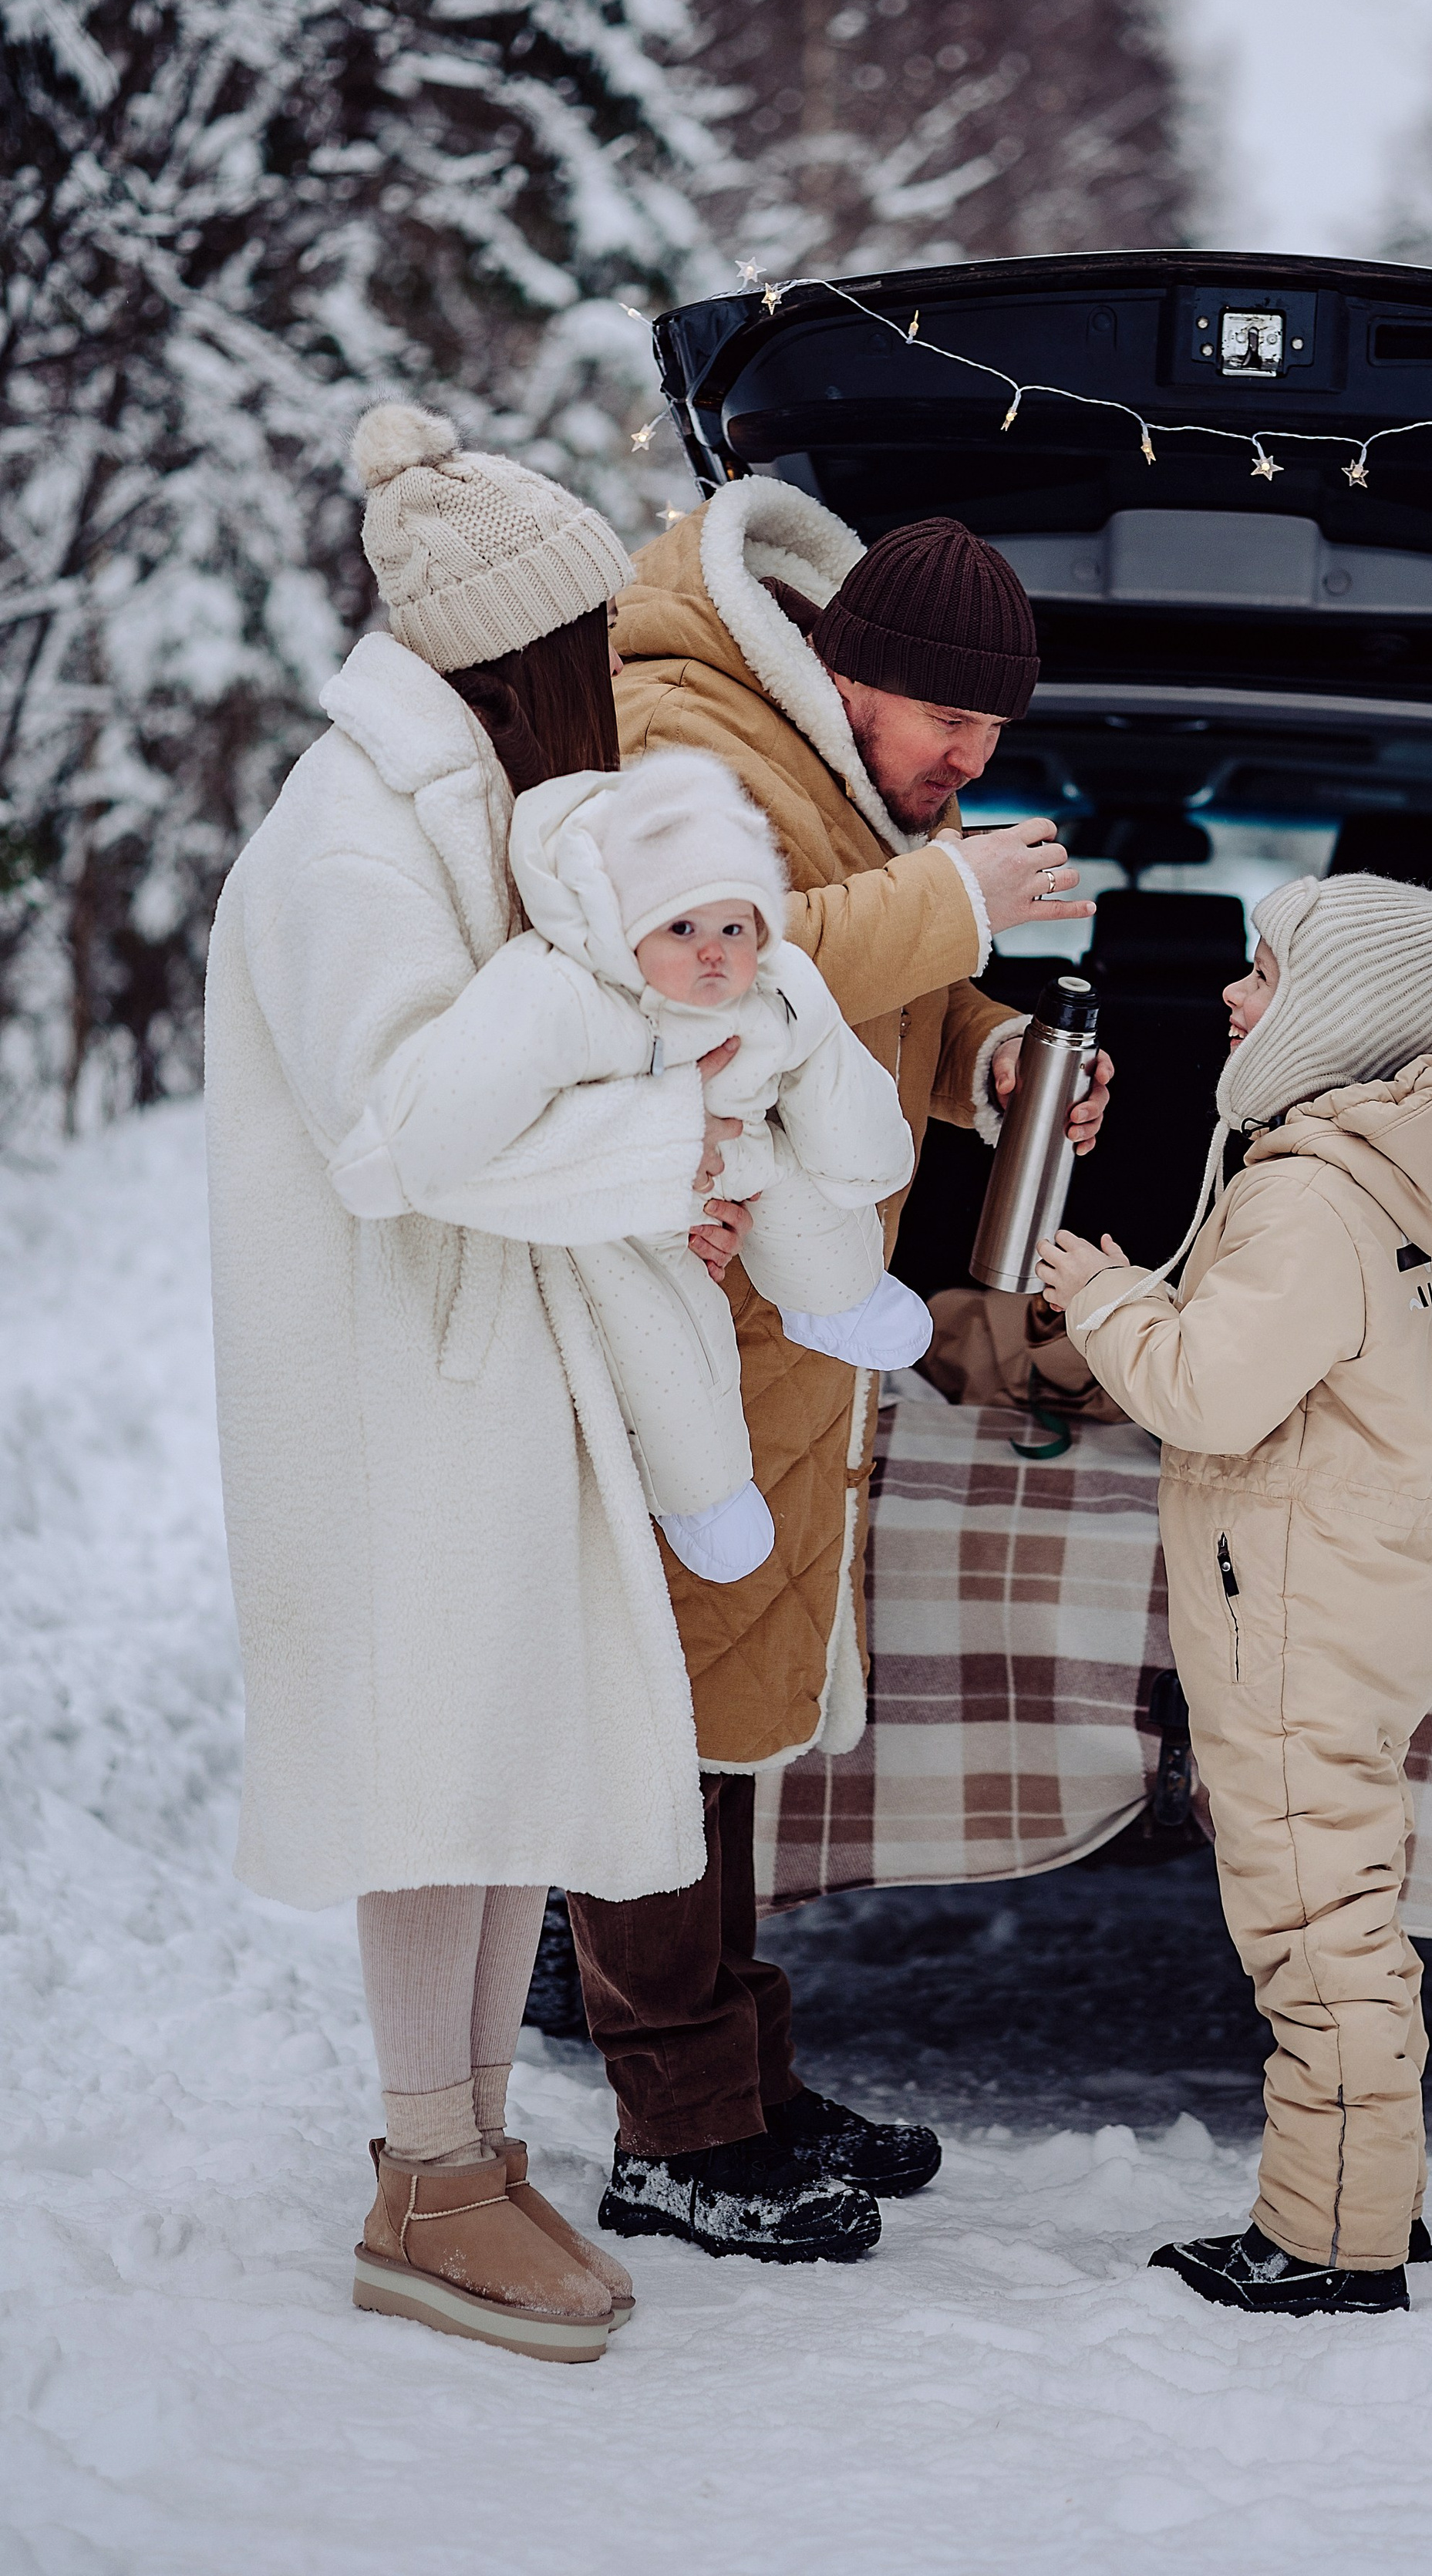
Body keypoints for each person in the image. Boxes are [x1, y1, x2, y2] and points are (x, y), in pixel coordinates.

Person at [204, 399, 739, 2362]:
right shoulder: (350, 833)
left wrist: (649, 1147)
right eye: (585, 640)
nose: (606, 677)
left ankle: (474, 2149)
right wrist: (593, 1042)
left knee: (499, 1737)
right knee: (432, 1757)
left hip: (486, 1349)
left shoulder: (456, 810)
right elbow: (401, 1130)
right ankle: (424, 2174)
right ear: (511, 654)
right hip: (392, 1370)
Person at [571, 482, 1114, 2265]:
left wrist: (991, 1060)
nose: (967, 754)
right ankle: (673, 2129)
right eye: (947, 718)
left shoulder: (832, 777)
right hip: (673, 1315)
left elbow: (855, 990)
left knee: (725, 1715)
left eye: (991, 731)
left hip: (782, 1331)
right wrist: (950, 907)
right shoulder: (684, 736)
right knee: (652, 1721)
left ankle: (740, 2081)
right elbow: (716, 975)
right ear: (844, 668)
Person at [1036, 869, 1432, 2318]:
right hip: (1350, 1602)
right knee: (1348, 1909)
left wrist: (1103, 1297)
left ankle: (1328, 2246)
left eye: (1261, 976)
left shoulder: (1306, 1195)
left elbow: (1213, 1394)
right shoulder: (1363, 1171)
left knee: (1320, 1936)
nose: (1233, 997)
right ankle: (1371, 2198)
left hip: (1300, 1627)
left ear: (1334, 1017)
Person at [336, 739, 929, 1585]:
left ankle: (841, 1300)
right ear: (625, 928)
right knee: (674, 1354)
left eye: (734, 927)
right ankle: (703, 1495)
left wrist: (867, 1165)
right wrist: (390, 1159)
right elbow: (468, 1091)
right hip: (622, 1222)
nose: (714, 953)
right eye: (681, 928)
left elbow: (830, 1069)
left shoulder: (777, 989)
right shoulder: (571, 997)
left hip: (743, 1166)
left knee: (809, 1194)